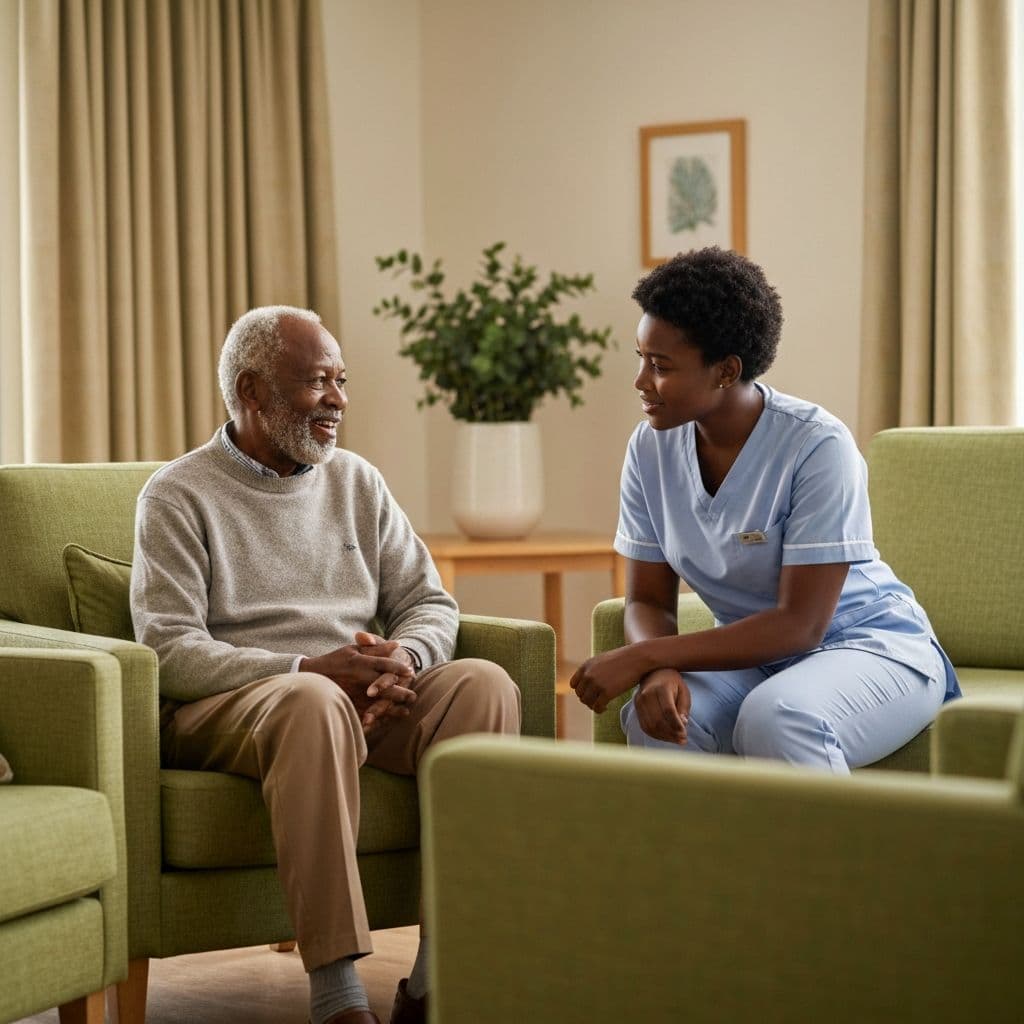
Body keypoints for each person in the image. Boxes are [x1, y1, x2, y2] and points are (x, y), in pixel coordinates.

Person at [130, 305, 521, 1024]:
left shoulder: (357, 483)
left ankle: (438, 983)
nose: (338, 401)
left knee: (483, 684)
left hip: (355, 696)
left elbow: (431, 602)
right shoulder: (178, 495)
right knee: (313, 703)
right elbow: (168, 651)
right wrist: (307, 669)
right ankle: (337, 996)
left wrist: (405, 656)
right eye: (317, 383)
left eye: (341, 381)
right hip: (237, 710)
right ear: (252, 391)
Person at [569, 247, 959, 771]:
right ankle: (703, 858)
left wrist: (645, 656)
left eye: (660, 366)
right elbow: (648, 600)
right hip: (754, 659)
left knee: (778, 716)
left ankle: (826, 858)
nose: (641, 382)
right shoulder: (649, 448)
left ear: (726, 371)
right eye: (640, 358)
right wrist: (658, 673)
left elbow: (799, 626)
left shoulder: (817, 446)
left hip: (870, 646)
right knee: (658, 716)